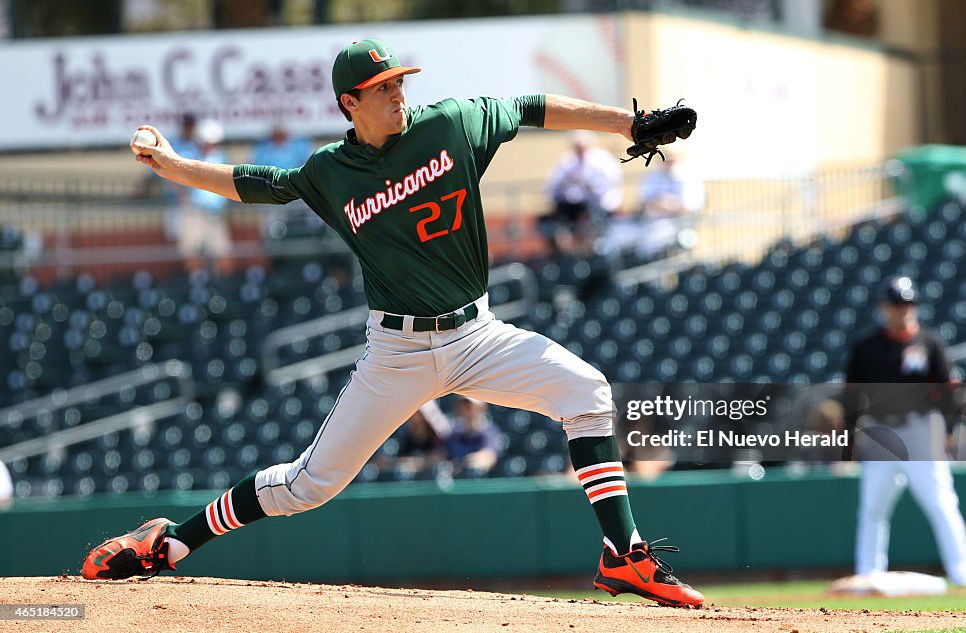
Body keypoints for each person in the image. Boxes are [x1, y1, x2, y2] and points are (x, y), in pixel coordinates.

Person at [82, 38, 704, 608]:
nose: (397, 92)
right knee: (308, 487)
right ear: (350, 102)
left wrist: (630, 122)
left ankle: (624, 557)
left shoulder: (452, 124)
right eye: (382, 87)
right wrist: (171, 163)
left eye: (399, 81)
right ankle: (170, 543)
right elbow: (251, 182)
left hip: (476, 336)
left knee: (588, 392)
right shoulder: (329, 171)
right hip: (396, 353)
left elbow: (533, 106)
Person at [843, 276, 966, 587]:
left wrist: (949, 430)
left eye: (906, 304)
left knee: (941, 503)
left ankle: (963, 575)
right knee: (873, 508)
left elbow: (950, 391)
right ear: (883, 308)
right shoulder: (867, 348)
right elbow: (851, 397)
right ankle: (868, 575)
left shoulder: (928, 343)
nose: (902, 310)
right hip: (880, 430)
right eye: (895, 304)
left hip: (921, 427)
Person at [537, 130, 622, 256]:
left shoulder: (602, 160)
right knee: (551, 218)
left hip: (597, 204)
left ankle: (585, 249)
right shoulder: (567, 161)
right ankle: (565, 250)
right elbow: (554, 184)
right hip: (573, 204)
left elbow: (609, 184)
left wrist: (587, 184)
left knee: (586, 215)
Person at [177, 119, 232, 276]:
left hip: (216, 212)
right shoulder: (187, 155)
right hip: (194, 211)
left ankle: (222, 288)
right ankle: (197, 285)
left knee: (222, 250)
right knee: (192, 252)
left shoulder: (220, 156)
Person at [444, 396, 501, 476]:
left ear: (481, 408)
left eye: (470, 406)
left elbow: (490, 458)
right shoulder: (454, 431)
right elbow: (443, 455)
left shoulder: (490, 431)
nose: (466, 410)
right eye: (463, 405)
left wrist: (463, 463)